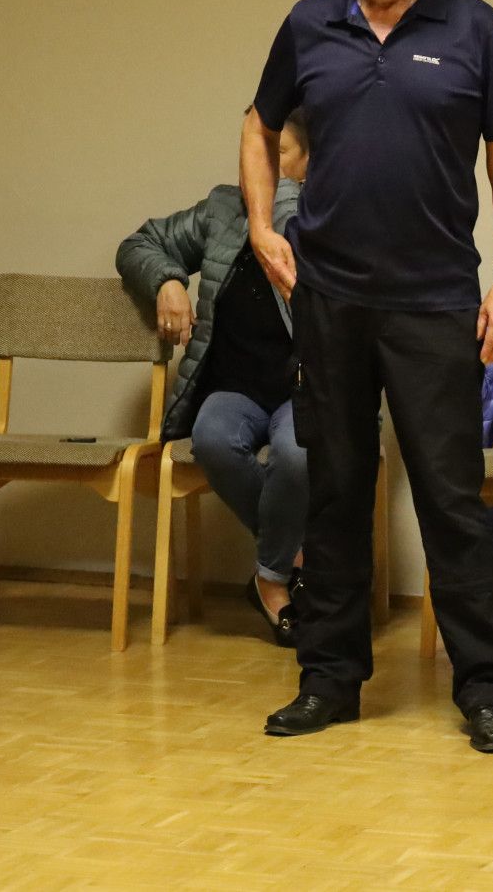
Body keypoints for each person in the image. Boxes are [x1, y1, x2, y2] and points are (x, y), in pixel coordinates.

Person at [243, 0, 493, 754]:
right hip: (329, 299)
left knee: (451, 497)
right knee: (334, 492)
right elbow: (258, 123)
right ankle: (329, 679)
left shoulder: (476, 26)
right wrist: (261, 225)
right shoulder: (308, 24)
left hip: (435, 300)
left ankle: (487, 688)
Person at [116, 113, 310, 645]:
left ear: (308, 163)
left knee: (298, 453)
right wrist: (168, 281)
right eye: (254, 150)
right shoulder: (221, 210)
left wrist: (282, 204)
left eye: (279, 152)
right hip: (234, 386)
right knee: (211, 438)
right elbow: (139, 244)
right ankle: (295, 556)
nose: (260, 164)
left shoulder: (327, 216)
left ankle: (269, 581)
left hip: (304, 389)